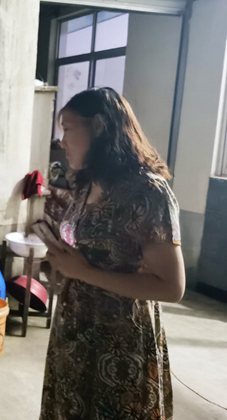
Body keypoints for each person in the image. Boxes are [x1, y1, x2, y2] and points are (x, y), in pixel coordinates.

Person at [39, 87, 186, 420]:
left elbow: (172, 287)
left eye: (68, 128)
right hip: (73, 333)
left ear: (99, 126)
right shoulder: (87, 184)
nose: (62, 141)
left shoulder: (147, 192)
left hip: (119, 344)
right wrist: (62, 264)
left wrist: (83, 272)